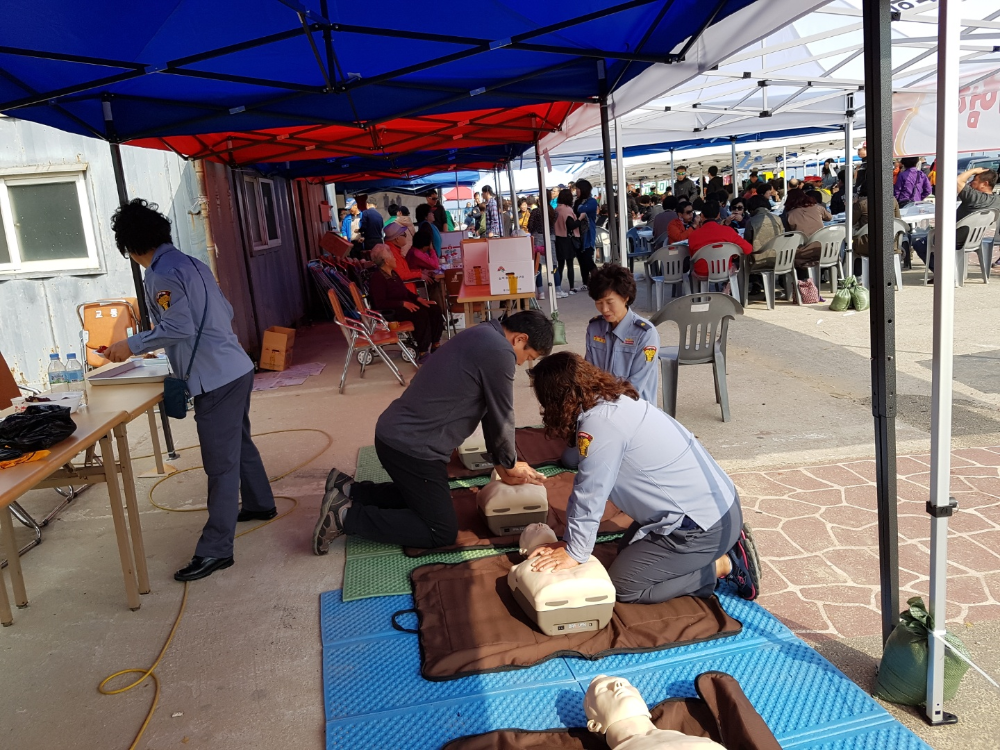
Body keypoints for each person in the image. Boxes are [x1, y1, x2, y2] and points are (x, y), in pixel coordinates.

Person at [104, 199, 274, 582]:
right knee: (239, 444)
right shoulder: (193, 263)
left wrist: (129, 345)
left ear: (131, 248)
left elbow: (179, 327)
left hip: (215, 378)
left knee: (221, 464)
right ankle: (261, 504)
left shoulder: (161, 275)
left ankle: (217, 550)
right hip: (235, 367)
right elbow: (224, 312)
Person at [312, 311, 555, 553]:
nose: (522, 363)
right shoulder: (500, 352)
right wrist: (510, 465)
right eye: (528, 356)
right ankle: (345, 516)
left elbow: (492, 414)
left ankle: (349, 489)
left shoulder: (482, 333)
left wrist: (504, 463)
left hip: (395, 436)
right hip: (413, 449)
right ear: (520, 339)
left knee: (422, 498)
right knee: (440, 530)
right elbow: (503, 414)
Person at [526, 352, 759, 603]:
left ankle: (723, 564)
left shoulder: (599, 425)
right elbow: (579, 463)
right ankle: (717, 548)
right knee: (627, 553)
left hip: (704, 525)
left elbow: (590, 493)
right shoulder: (614, 401)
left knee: (625, 586)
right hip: (718, 505)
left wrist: (574, 551)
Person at [584, 265, 659, 406]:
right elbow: (589, 374)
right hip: (601, 406)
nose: (604, 309)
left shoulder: (645, 334)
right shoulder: (594, 328)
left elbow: (634, 387)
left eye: (609, 302)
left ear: (625, 297)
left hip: (635, 409)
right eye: (599, 303)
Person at [366, 244, 443, 363]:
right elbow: (380, 303)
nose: (395, 258)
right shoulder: (378, 278)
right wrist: (403, 304)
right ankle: (423, 351)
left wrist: (418, 299)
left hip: (405, 304)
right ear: (386, 261)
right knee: (420, 314)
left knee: (434, 308)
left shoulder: (393, 274)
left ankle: (435, 344)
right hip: (392, 311)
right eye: (392, 256)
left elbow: (404, 291)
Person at [914, 167, 1000, 272]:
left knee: (919, 243)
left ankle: (941, 273)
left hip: (953, 238)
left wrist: (973, 170)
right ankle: (949, 270)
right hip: (974, 240)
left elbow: (957, 181)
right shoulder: (997, 201)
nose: (970, 183)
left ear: (985, 183)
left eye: (974, 180)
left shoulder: (973, 197)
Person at [686, 200, 752, 278]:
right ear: (718, 215)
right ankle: (727, 288)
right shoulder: (728, 231)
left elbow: (692, 255)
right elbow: (748, 249)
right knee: (735, 267)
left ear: (702, 216)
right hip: (725, 270)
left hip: (701, 273)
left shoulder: (693, 235)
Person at [782, 188, 831, 270]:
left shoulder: (790, 215)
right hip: (824, 249)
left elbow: (788, 234)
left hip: (803, 252)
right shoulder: (818, 208)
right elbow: (829, 217)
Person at [851, 181, 901, 260]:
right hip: (890, 244)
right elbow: (898, 220)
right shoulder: (893, 200)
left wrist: (853, 205)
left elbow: (851, 222)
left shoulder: (861, 204)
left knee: (847, 243)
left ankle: (851, 270)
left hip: (867, 246)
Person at [743, 194, 784, 273]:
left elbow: (746, 242)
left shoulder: (751, 221)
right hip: (778, 259)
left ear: (751, 209)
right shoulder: (777, 219)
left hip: (757, 261)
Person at [554, 188, 582, 294]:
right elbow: (571, 225)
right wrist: (580, 219)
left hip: (558, 239)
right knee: (570, 264)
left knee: (560, 265)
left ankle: (558, 287)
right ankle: (571, 287)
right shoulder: (567, 210)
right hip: (567, 239)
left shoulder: (557, 209)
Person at [574, 179, 599, 288]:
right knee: (581, 259)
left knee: (587, 258)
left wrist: (579, 208)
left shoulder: (592, 201)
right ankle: (586, 282)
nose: (576, 191)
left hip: (588, 234)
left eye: (578, 189)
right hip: (577, 234)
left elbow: (581, 210)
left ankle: (598, 280)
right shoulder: (577, 201)